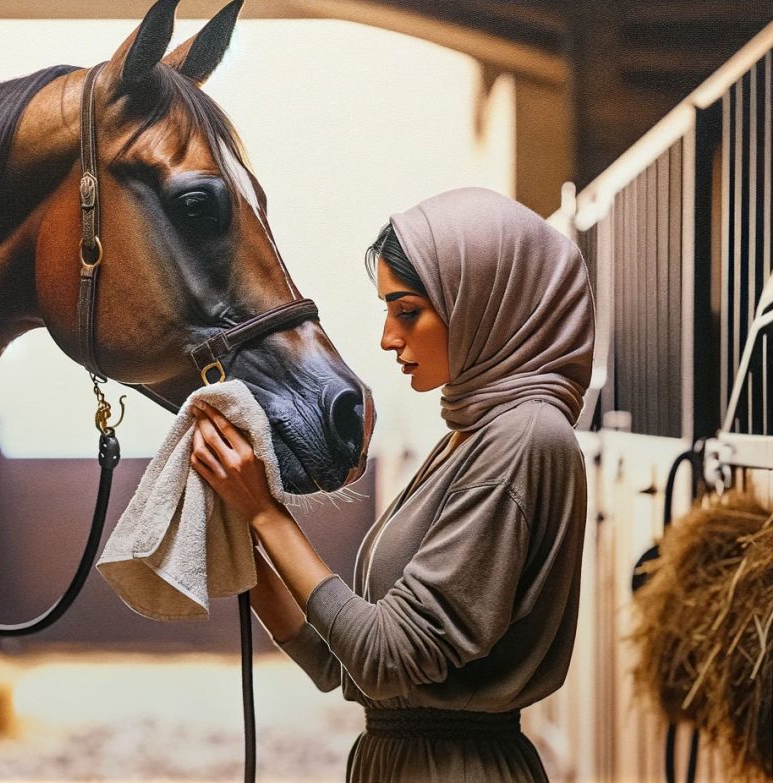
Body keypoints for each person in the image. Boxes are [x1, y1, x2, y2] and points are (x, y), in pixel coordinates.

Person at [189, 186, 596, 782]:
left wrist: (269, 516)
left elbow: (384, 656)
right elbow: (340, 661)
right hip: (402, 760)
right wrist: (243, 529)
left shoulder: (524, 438)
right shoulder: (470, 435)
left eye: (407, 311)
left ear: (481, 301)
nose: (387, 337)